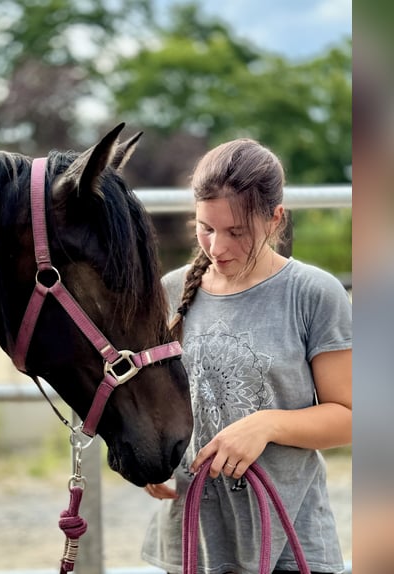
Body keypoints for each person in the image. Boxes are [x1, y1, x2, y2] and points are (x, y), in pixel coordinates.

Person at [141, 139, 352, 574]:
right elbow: (155, 402)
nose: (216, 247)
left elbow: (350, 416)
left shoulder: (313, 294)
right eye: (206, 228)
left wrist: (266, 425)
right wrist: (153, 458)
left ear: (275, 219)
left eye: (236, 232)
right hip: (192, 540)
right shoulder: (171, 289)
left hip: (288, 541)